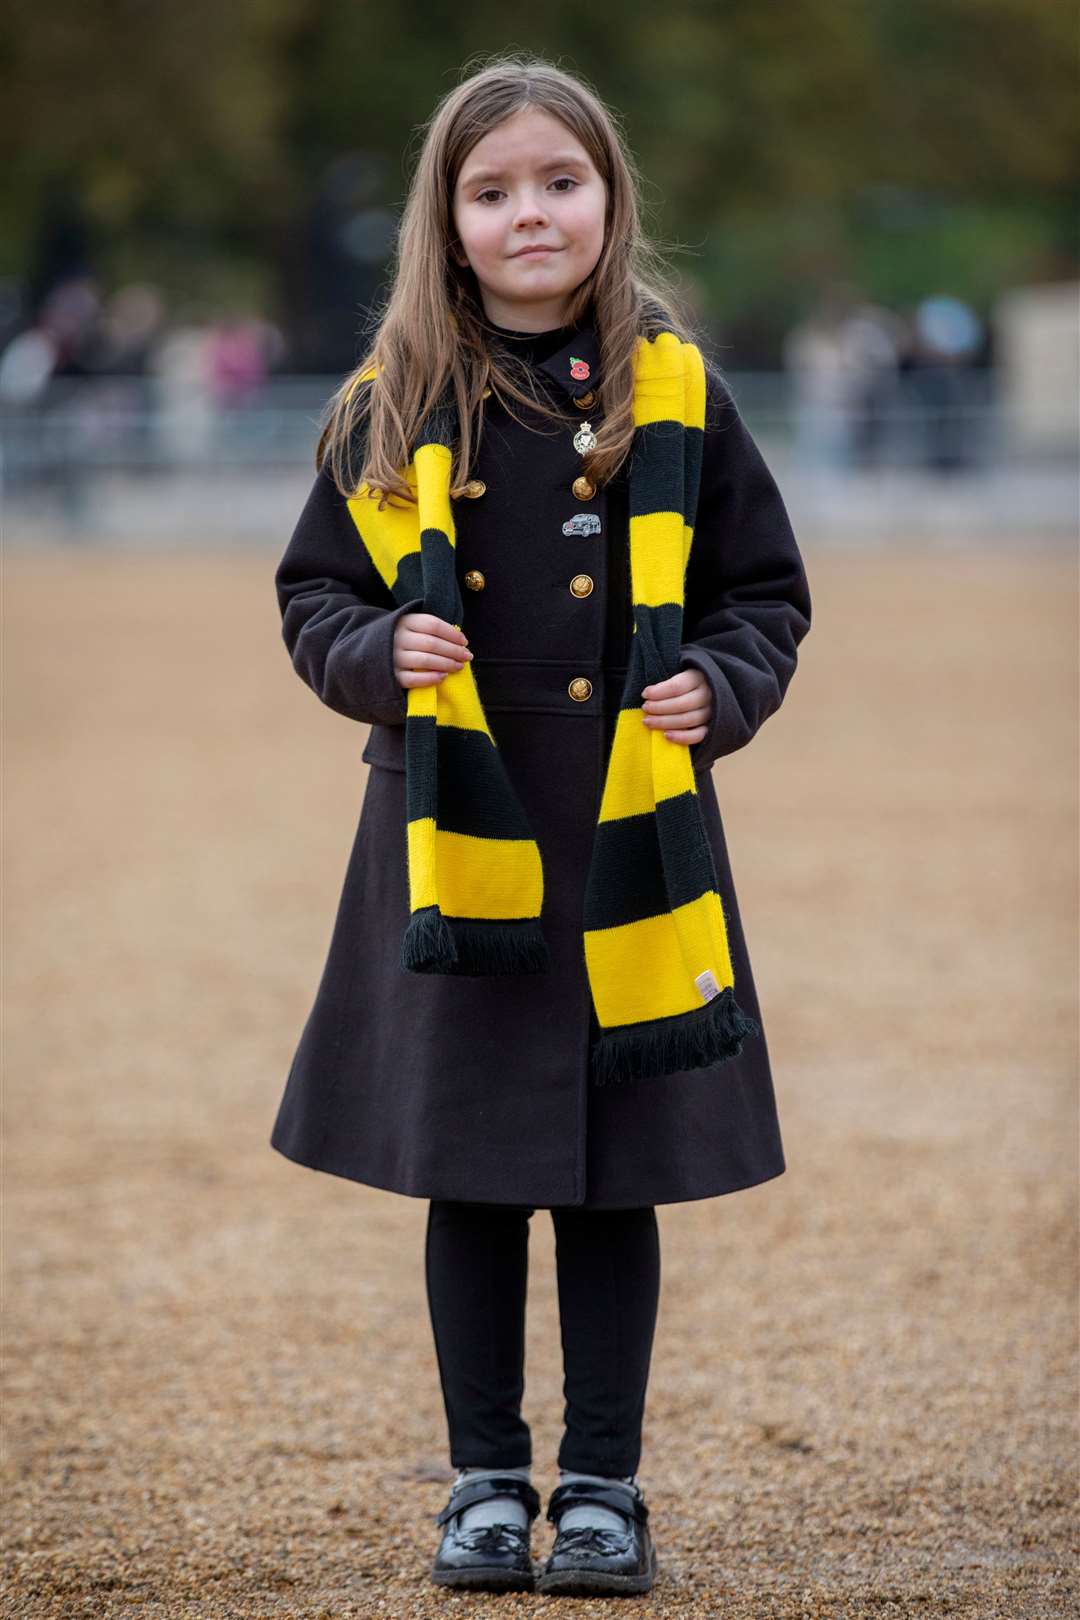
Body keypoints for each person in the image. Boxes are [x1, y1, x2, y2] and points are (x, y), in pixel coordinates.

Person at [269, 55, 812, 1599]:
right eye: (493, 190)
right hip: (460, 843)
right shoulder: (390, 407)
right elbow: (314, 597)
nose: (530, 215)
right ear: (445, 222)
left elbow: (765, 596)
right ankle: (485, 1483)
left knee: (615, 1179)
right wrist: (378, 659)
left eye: (558, 184)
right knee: (475, 1175)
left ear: (608, 201)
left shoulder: (676, 394)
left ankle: (606, 1489)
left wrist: (722, 681)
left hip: (628, 842)